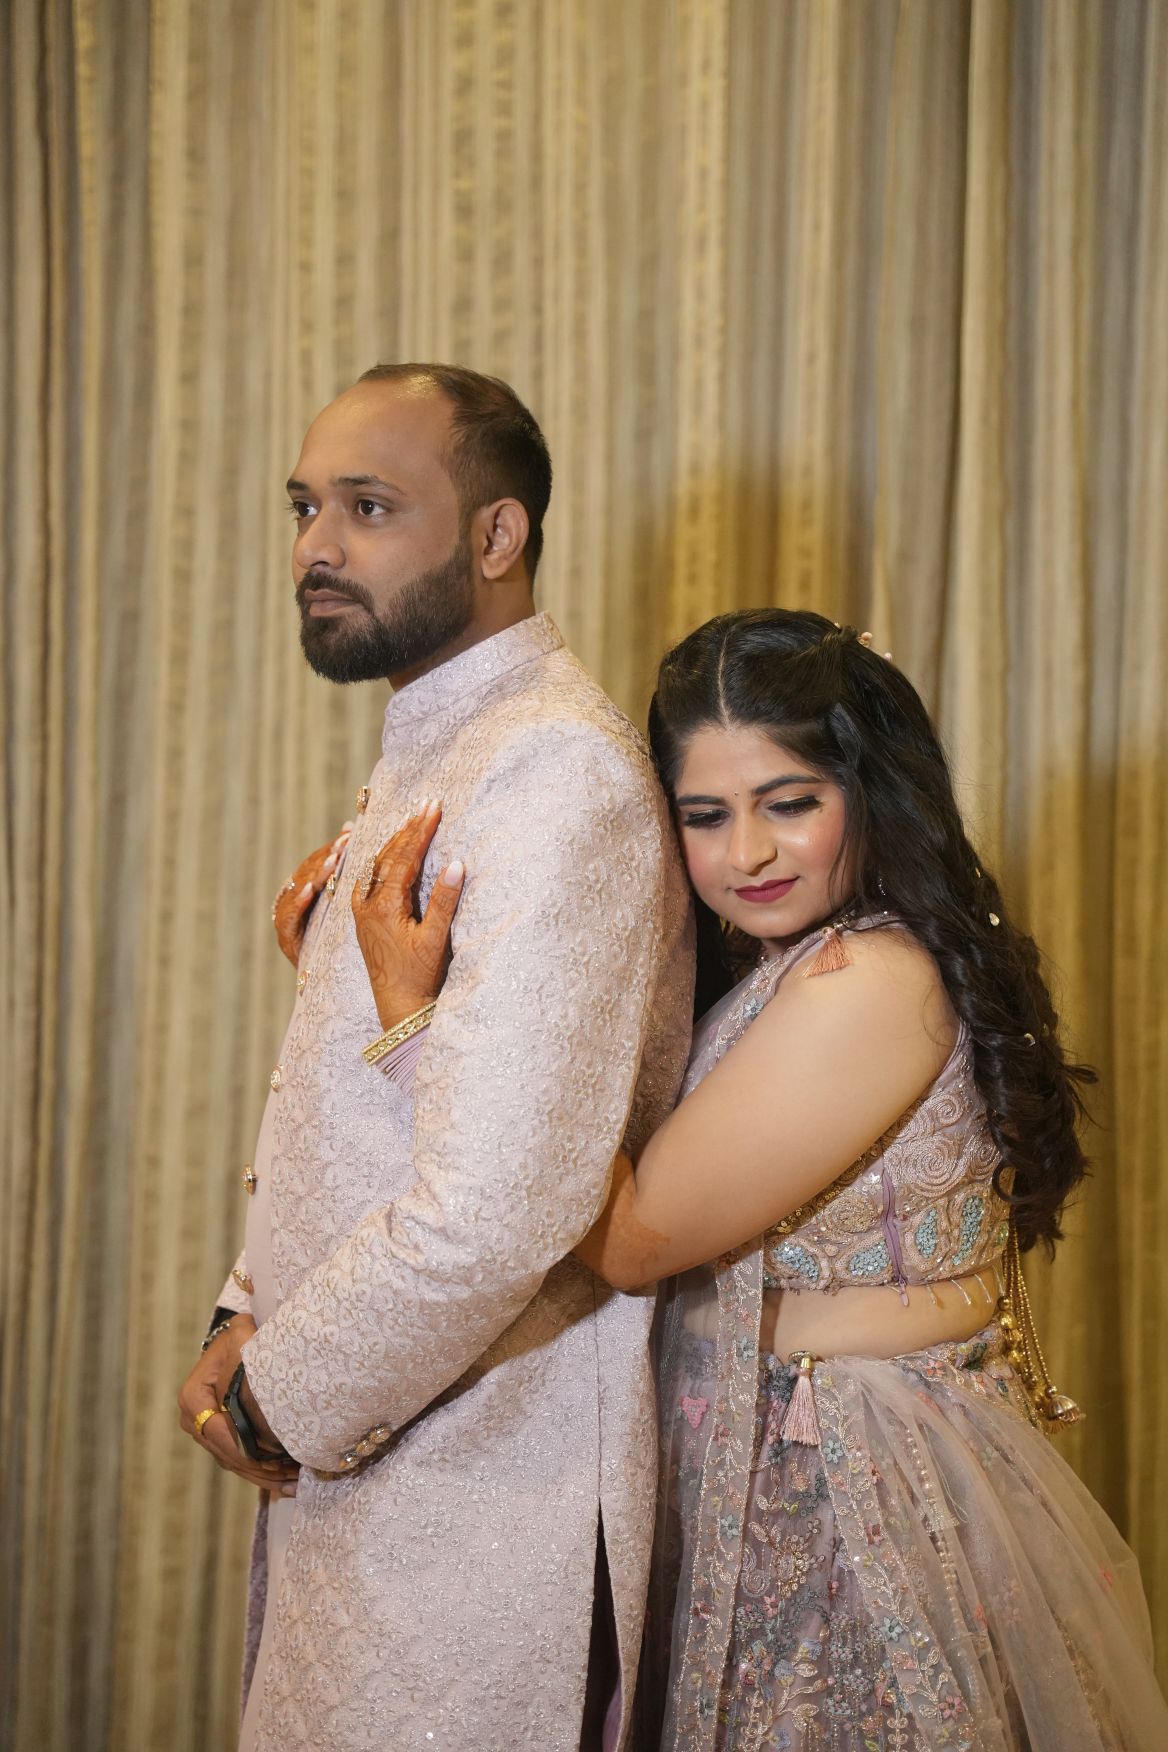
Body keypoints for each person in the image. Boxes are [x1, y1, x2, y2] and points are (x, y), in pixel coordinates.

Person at [364, 609, 1168, 1750]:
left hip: (839, 1501)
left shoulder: (864, 981)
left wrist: (424, 1024)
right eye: (706, 815)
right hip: (764, 1456)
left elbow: (631, 1238)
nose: (747, 853)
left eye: (789, 803)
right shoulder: (792, 965)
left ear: (869, 793)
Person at [176, 362, 694, 1751]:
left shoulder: (553, 772)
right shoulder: (447, 741)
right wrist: (242, 1317)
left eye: (368, 507)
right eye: (304, 507)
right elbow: (354, 1106)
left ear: (496, 534)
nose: (316, 546)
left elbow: (501, 1203)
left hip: (480, 1493)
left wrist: (282, 1398)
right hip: (387, 1453)